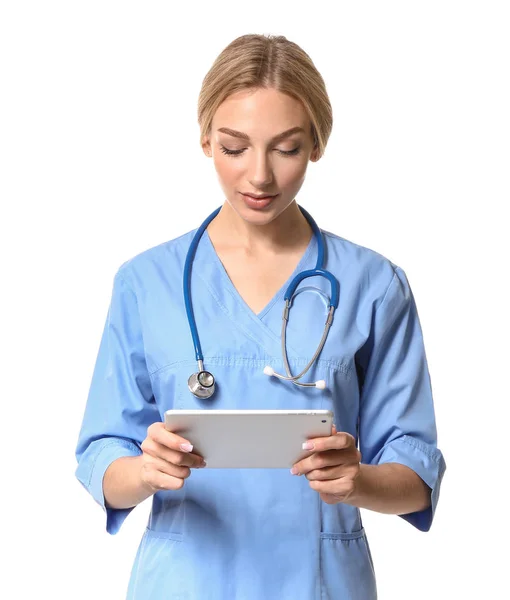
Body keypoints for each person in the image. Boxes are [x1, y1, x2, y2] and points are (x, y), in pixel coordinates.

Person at [75, 33, 446, 600]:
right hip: (184, 584)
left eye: (287, 148)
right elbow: (103, 458)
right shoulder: (145, 282)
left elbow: (416, 476)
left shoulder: (373, 285)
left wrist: (359, 480)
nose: (260, 177)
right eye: (234, 148)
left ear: (317, 144)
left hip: (320, 584)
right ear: (204, 140)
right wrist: (145, 472)